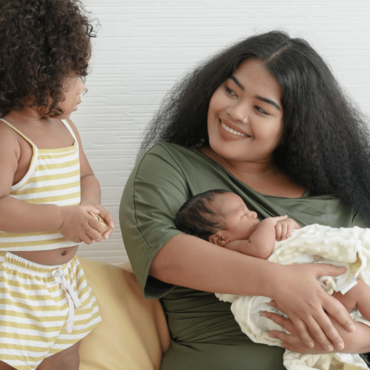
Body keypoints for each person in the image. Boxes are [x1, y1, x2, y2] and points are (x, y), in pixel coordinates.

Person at [120, 30, 370, 370]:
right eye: (230, 91)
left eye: (261, 109)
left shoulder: (344, 203)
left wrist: (356, 338)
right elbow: (165, 254)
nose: (235, 113)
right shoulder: (171, 165)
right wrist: (280, 282)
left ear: (292, 127)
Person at [0, 1, 114, 369]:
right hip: (14, 289)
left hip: (62, 281)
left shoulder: (66, 129)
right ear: (35, 76)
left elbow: (86, 177)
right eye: (75, 75)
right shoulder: (8, 137)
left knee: (66, 355)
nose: (83, 87)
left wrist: (89, 209)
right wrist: (62, 218)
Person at [175, 189, 370, 369]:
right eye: (243, 214)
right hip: (288, 307)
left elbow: (299, 241)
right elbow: (261, 250)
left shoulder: (257, 236)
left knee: (358, 293)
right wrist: (269, 223)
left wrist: (290, 226)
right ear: (219, 239)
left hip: (315, 293)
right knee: (340, 322)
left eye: (249, 209)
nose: (253, 214)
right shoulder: (232, 249)